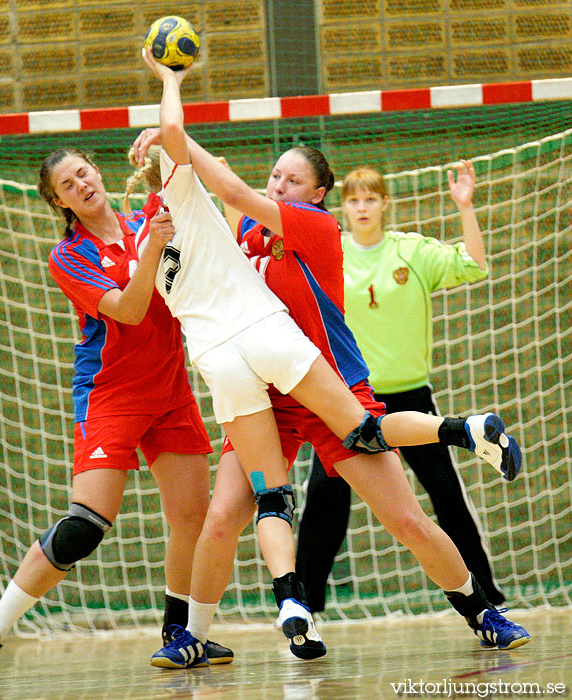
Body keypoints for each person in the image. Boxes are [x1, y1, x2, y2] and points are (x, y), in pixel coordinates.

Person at [134, 53, 530, 669]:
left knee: (406, 520)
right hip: (266, 399)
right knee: (222, 518)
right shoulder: (246, 237)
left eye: (291, 181)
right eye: (276, 177)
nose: (279, 186)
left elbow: (227, 185)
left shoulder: (313, 228)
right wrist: (167, 148)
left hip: (325, 386)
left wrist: (175, 135)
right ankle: (192, 634)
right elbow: (219, 192)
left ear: (318, 194)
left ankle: (482, 611)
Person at [0, 147, 234, 681]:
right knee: (85, 526)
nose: (80, 184)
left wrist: (172, 159)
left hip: (170, 390)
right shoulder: (71, 255)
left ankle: (179, 633)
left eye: (83, 172)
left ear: (98, 173)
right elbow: (128, 310)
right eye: (66, 184)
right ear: (59, 202)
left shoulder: (142, 219)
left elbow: (196, 197)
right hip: (111, 394)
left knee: (192, 518)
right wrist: (153, 247)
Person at [296, 163, 506, 614]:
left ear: (385, 203)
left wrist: (465, 208)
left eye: (371, 198)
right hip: (348, 402)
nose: (362, 207)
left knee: (446, 495)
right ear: (343, 206)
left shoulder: (410, 251)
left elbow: (473, 265)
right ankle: (304, 608)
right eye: (353, 199)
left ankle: (488, 597)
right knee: (324, 504)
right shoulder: (332, 253)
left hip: (410, 399)